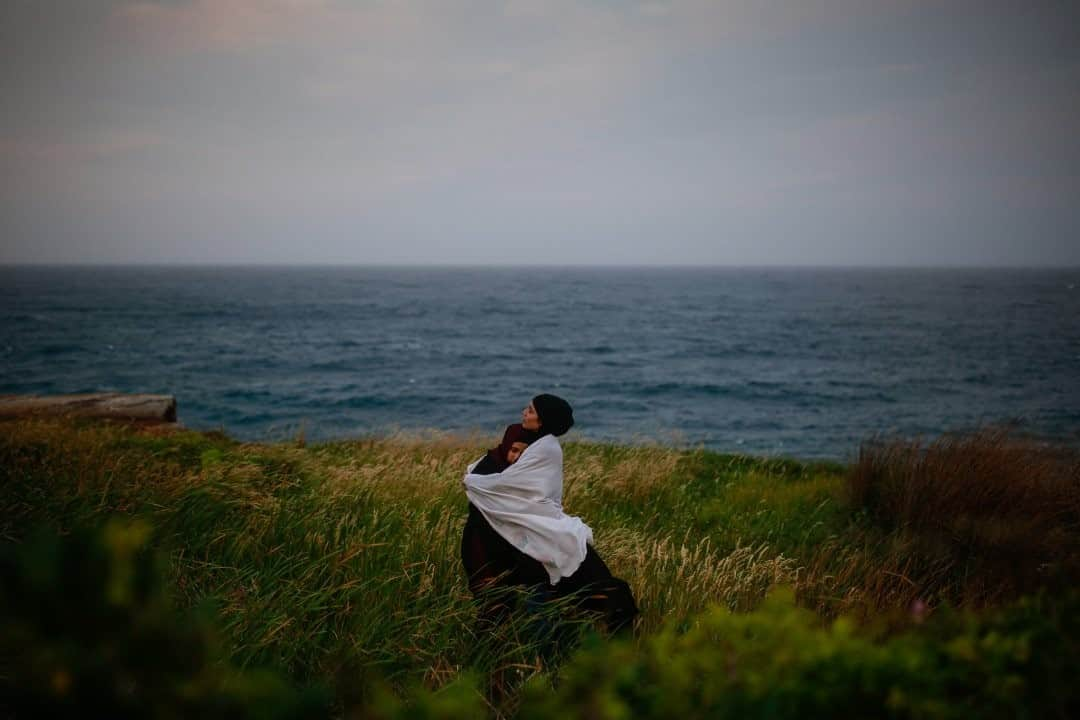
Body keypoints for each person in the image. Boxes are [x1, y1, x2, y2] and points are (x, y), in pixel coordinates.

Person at [462, 394, 638, 636]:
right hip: (519, 533)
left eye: (531, 410)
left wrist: (476, 483)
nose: (525, 412)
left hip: (539, 522)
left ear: (542, 420)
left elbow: (522, 489)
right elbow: (510, 487)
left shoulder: (546, 448)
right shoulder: (529, 443)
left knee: (567, 560)